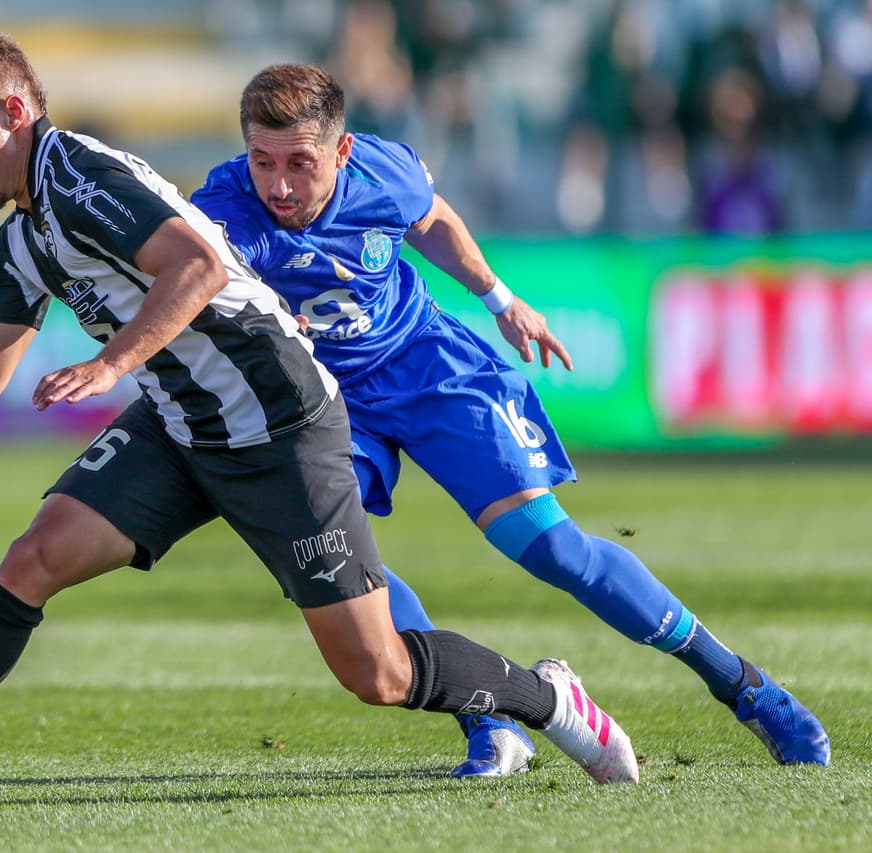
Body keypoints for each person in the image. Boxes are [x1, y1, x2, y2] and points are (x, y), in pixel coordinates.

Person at [0, 30, 638, 803]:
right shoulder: (21, 238)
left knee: (377, 672)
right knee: (33, 557)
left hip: (280, 421)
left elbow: (197, 266)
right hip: (180, 424)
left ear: (13, 113)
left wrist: (110, 363)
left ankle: (551, 699)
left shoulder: (79, 176)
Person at [189, 63, 831, 778]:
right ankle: (488, 719)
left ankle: (744, 686)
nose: (278, 186)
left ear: (341, 152)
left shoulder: (383, 172)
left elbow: (432, 220)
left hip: (427, 368)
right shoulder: (222, 212)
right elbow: (182, 286)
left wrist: (500, 299)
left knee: (553, 547)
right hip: (323, 400)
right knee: (336, 563)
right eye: (263, 161)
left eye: (299, 164)